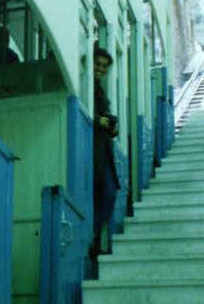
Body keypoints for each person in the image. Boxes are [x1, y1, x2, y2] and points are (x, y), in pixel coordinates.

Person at [92, 47, 119, 256]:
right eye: (98, 64)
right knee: (106, 192)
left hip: (103, 151)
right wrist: (96, 119)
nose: (101, 69)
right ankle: (93, 235)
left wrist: (111, 125)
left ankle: (94, 233)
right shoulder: (86, 85)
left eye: (104, 67)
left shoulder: (99, 90)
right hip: (94, 151)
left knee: (109, 193)